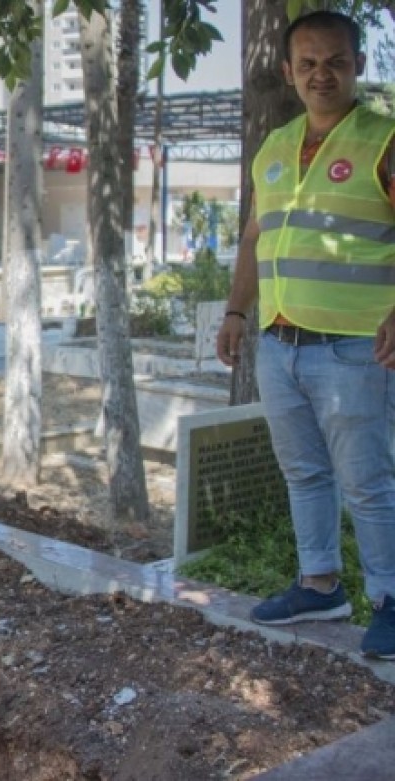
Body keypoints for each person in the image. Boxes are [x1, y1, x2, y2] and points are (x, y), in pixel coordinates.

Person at [216, 11, 395, 658]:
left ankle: (391, 596)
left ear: (359, 66)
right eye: (310, 63)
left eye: (337, 61)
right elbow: (254, 238)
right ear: (289, 72)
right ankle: (320, 583)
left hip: (356, 348)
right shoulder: (275, 146)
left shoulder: (385, 138)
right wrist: (237, 311)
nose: (323, 74)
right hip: (280, 344)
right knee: (304, 471)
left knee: (369, 478)